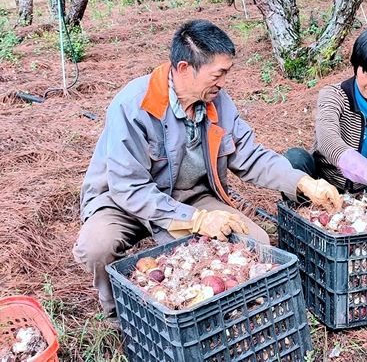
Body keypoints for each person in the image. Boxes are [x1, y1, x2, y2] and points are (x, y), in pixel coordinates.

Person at [73, 19, 342, 323]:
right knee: (96, 246)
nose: (223, 82)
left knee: (255, 241)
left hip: (190, 196)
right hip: (124, 202)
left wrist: (304, 183)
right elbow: (127, 188)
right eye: (219, 74)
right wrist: (195, 220)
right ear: (185, 68)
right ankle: (116, 313)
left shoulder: (217, 102)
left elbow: (250, 155)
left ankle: (221, 313)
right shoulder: (133, 105)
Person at [285, 27, 367, 208]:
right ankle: (299, 215)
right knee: (295, 158)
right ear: (356, 68)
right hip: (322, 183)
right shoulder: (335, 96)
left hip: (364, 192)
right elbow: (328, 141)